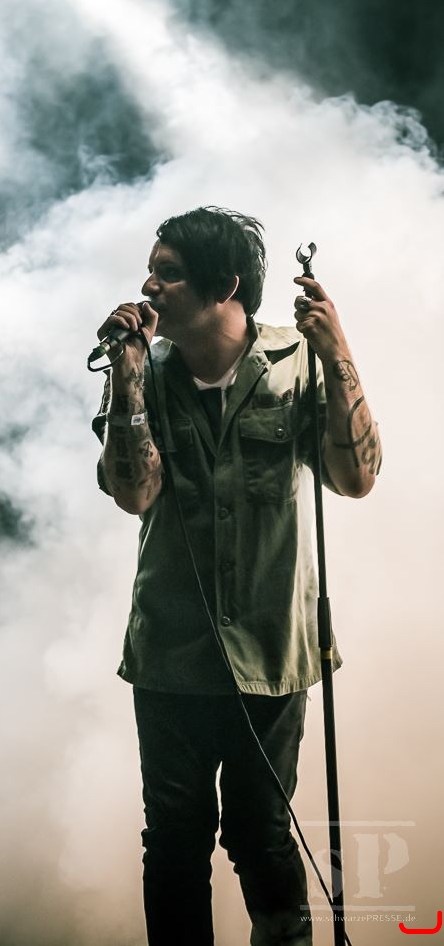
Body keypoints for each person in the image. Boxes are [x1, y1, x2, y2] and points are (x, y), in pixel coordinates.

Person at [91, 206, 381, 946]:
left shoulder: (297, 361)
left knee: (260, 834)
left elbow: (355, 479)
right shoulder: (143, 369)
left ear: (223, 285)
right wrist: (127, 374)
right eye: (150, 271)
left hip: (273, 647)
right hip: (171, 652)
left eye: (167, 273)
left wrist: (338, 351)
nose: (148, 287)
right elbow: (134, 493)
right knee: (175, 839)